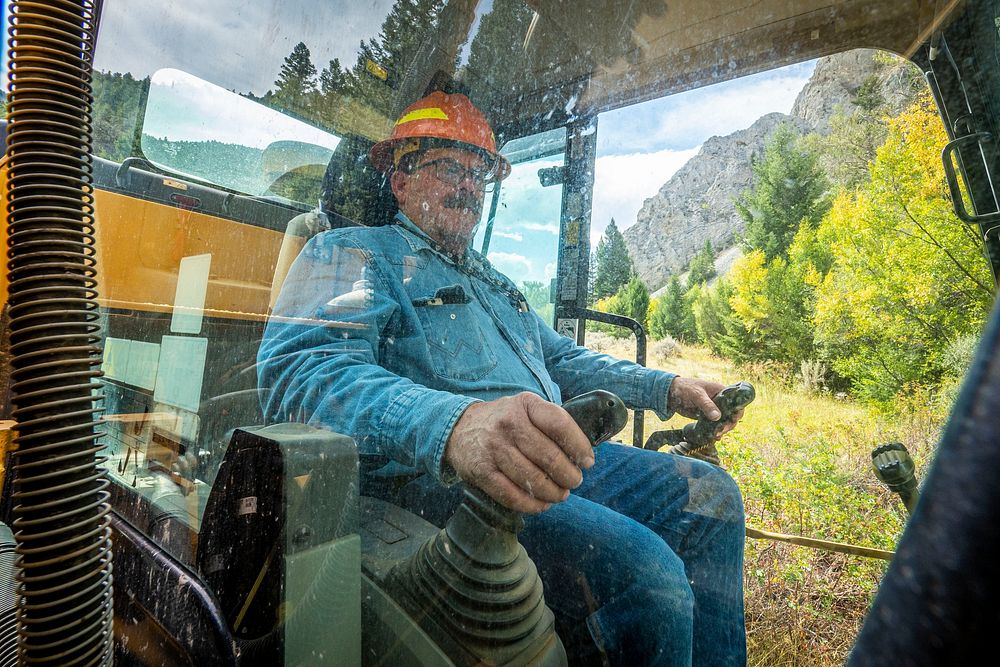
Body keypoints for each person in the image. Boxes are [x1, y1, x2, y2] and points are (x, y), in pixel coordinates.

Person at [258, 91, 747, 666]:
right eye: (448, 167)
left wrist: (666, 388)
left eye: (478, 174)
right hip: (444, 480)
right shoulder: (354, 251)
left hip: (545, 453)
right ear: (400, 179)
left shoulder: (496, 284)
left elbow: (562, 359)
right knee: (648, 573)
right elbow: (303, 371)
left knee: (713, 499)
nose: (468, 186)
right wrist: (457, 425)